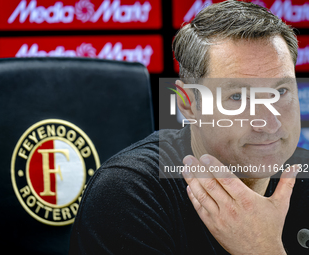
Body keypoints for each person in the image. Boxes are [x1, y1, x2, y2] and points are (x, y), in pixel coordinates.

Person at [69, 0, 309, 254]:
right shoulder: (127, 194)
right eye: (237, 97)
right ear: (187, 103)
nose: (270, 124)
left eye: (280, 91)